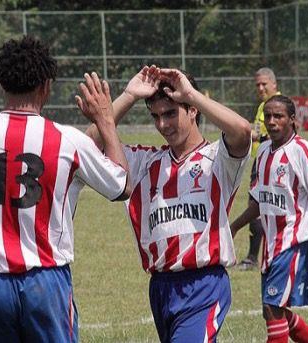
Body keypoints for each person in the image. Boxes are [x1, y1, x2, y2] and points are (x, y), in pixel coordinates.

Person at [0, 36, 131, 343]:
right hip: (46, 282)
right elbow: (122, 186)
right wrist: (105, 121)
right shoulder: (68, 140)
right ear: (46, 85)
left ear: (1, 84)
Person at [79, 65, 251, 342]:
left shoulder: (217, 158)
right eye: (156, 116)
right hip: (160, 287)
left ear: (192, 110)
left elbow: (242, 130)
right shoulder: (146, 162)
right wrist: (129, 96)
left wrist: (192, 94)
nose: (163, 125)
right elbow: (87, 144)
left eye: (171, 113)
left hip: (203, 284)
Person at [230, 95, 308, 343]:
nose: (272, 122)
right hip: (272, 245)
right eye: (268, 116)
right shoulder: (262, 151)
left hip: (295, 242)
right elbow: (260, 201)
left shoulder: (303, 151)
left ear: (292, 120)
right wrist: (235, 226)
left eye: (278, 116)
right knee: (271, 309)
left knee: (273, 308)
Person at [237, 67, 281, 271]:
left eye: (264, 84)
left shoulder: (280, 105)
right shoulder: (264, 105)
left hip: (274, 161)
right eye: (258, 85)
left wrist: (257, 136)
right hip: (261, 160)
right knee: (264, 206)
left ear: (274, 84)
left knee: (257, 206)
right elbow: (258, 130)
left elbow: (285, 132)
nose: (261, 88)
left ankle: (252, 258)